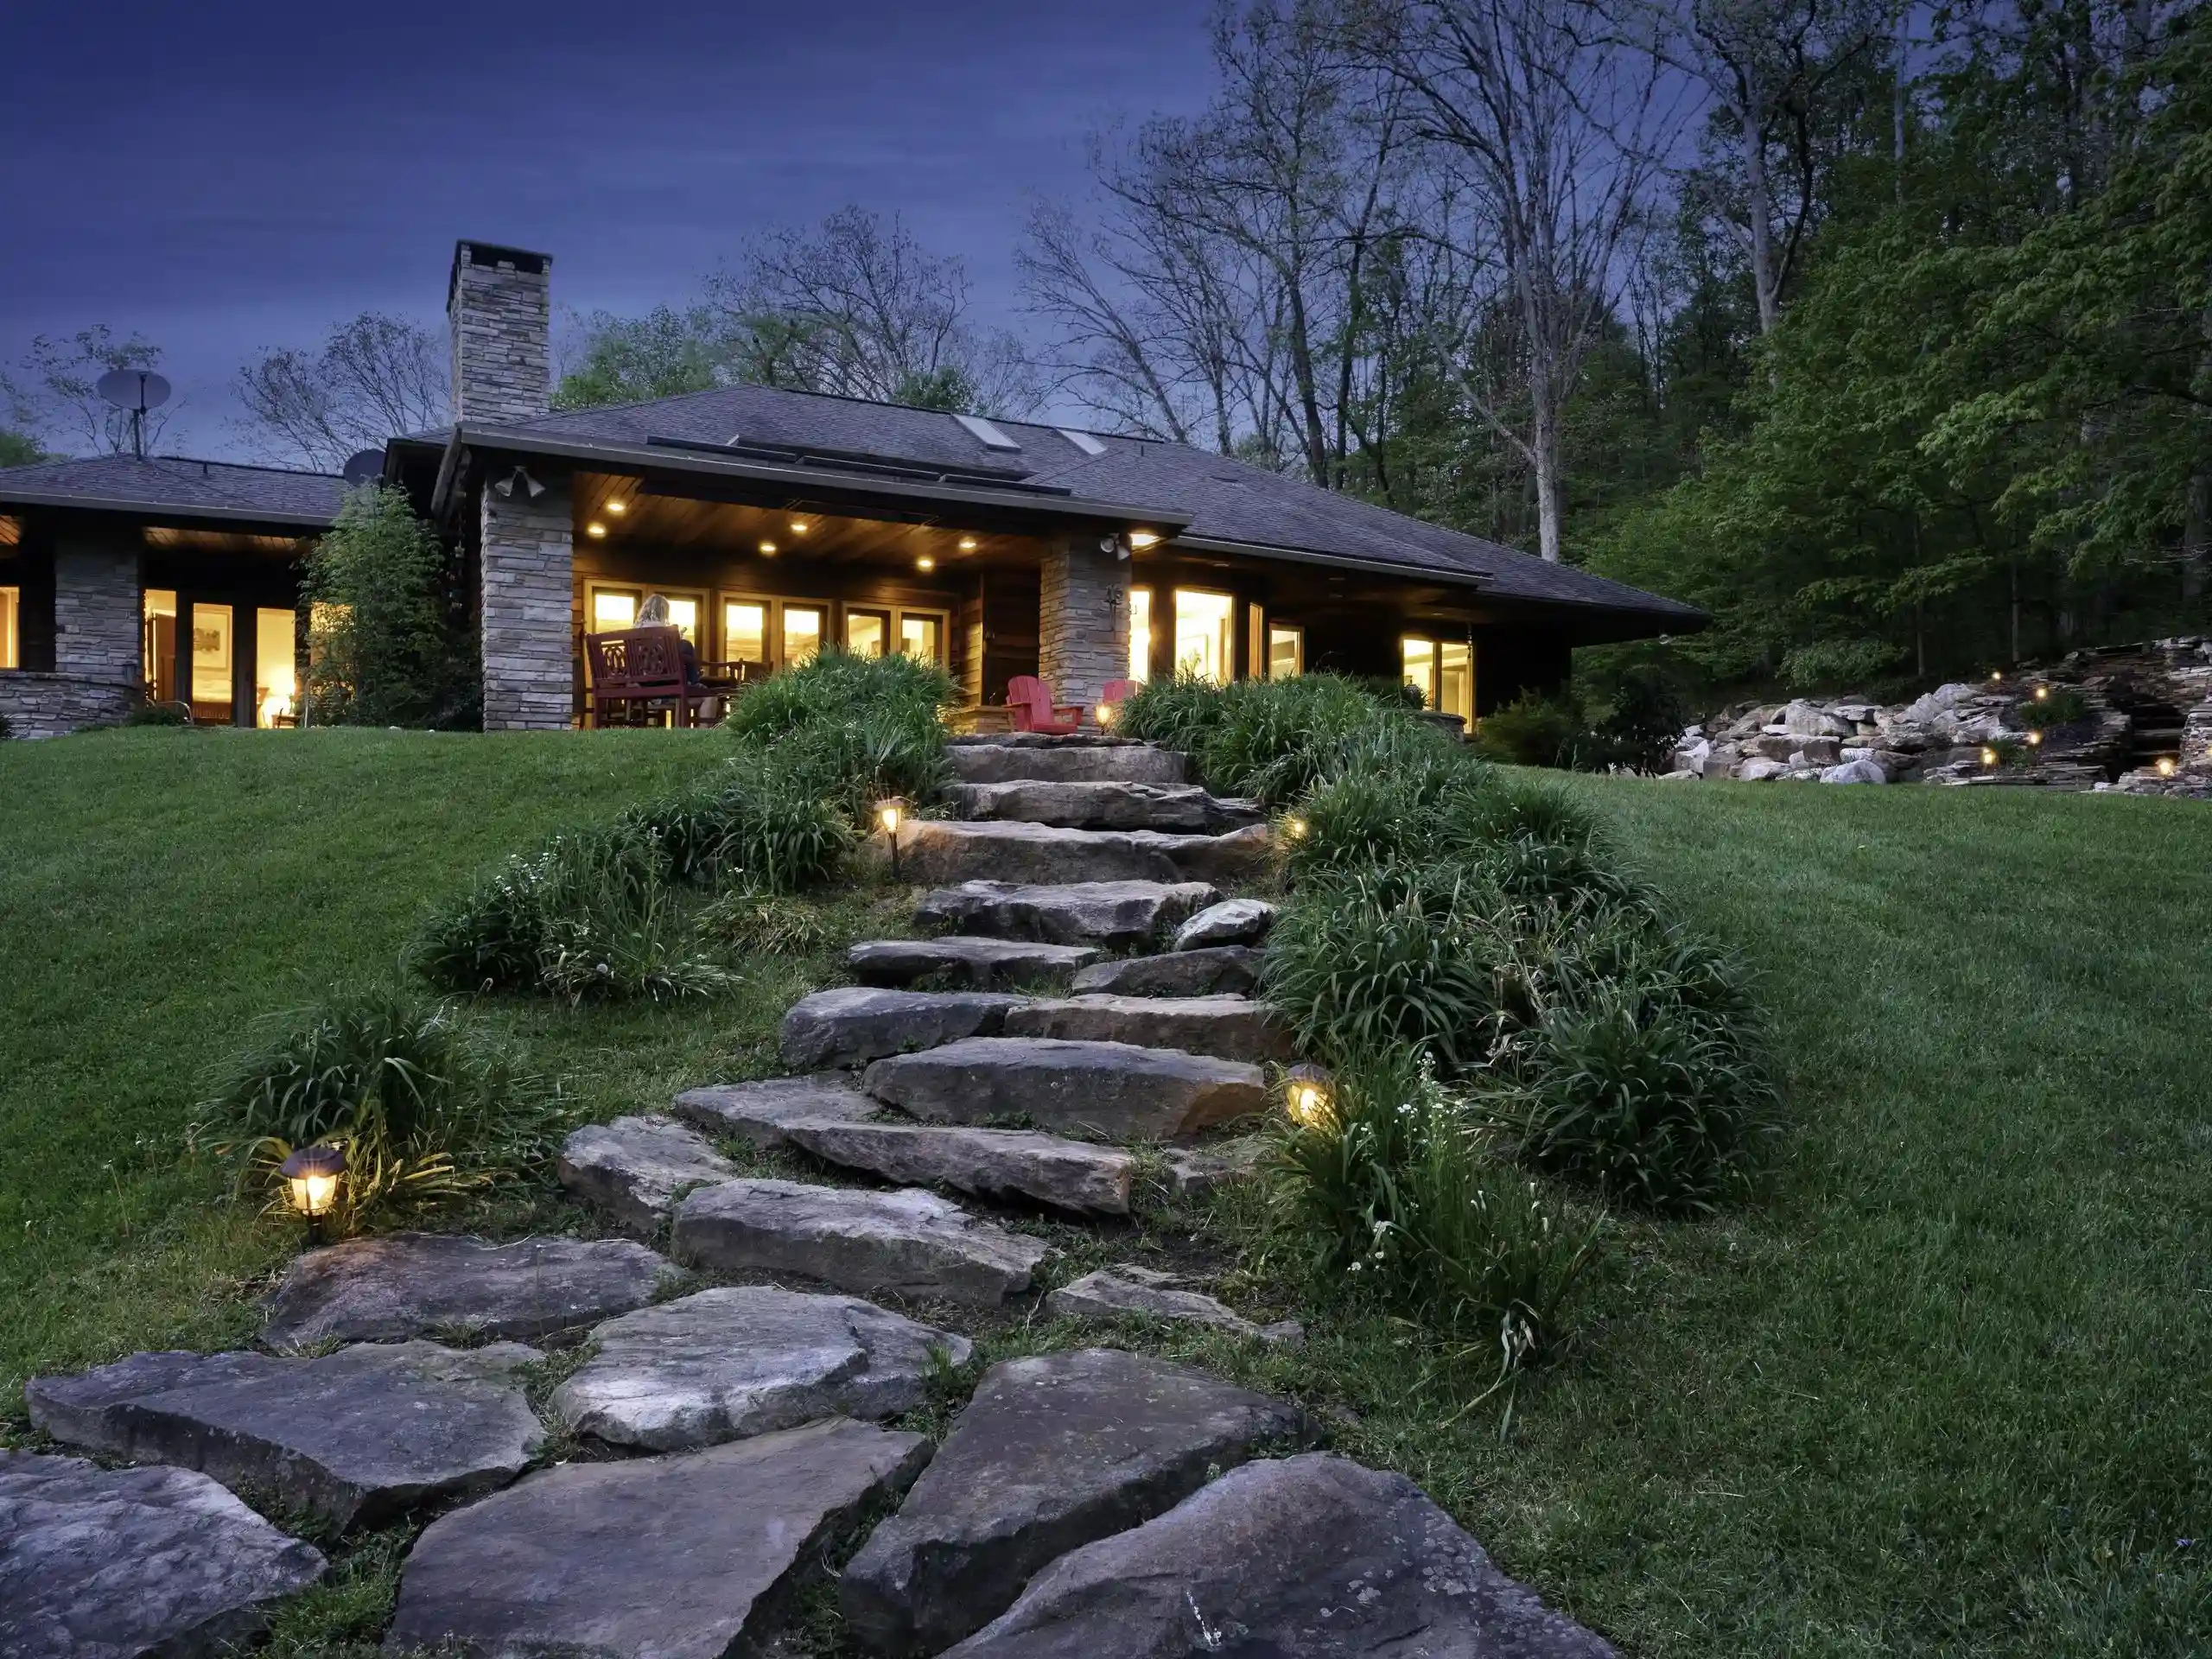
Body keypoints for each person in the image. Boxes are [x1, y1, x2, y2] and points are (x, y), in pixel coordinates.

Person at [636, 594, 703, 689]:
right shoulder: (662, 629)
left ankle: (693, 679)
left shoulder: (636, 629)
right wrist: (677, 639)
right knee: (686, 645)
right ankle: (693, 680)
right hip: (662, 677)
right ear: (664, 611)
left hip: (642, 679)